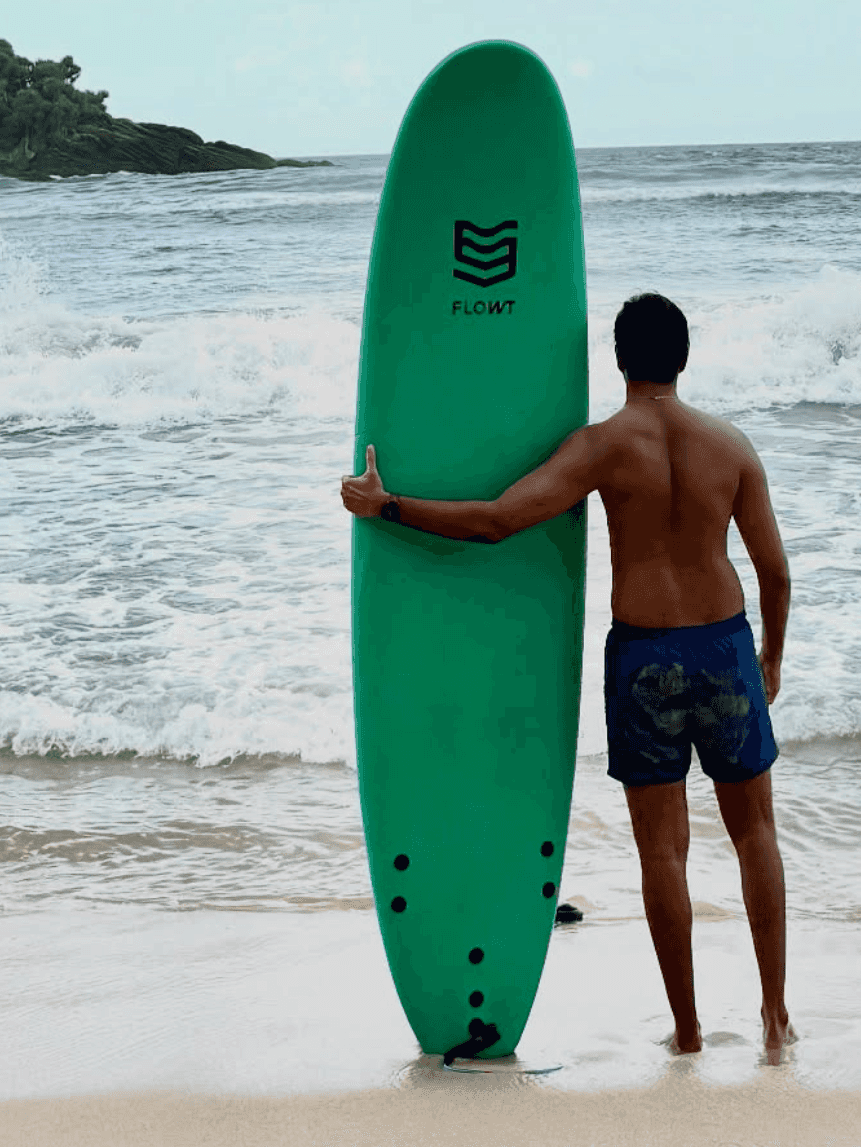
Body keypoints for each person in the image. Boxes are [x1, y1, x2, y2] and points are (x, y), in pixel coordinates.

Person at [340, 291, 794, 1063]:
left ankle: (688, 1033)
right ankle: (775, 1019)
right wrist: (771, 659)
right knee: (755, 834)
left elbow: (497, 520)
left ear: (618, 361)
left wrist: (387, 508)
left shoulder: (602, 448)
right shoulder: (732, 447)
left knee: (664, 852)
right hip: (724, 648)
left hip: (645, 656)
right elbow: (775, 571)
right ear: (684, 357)